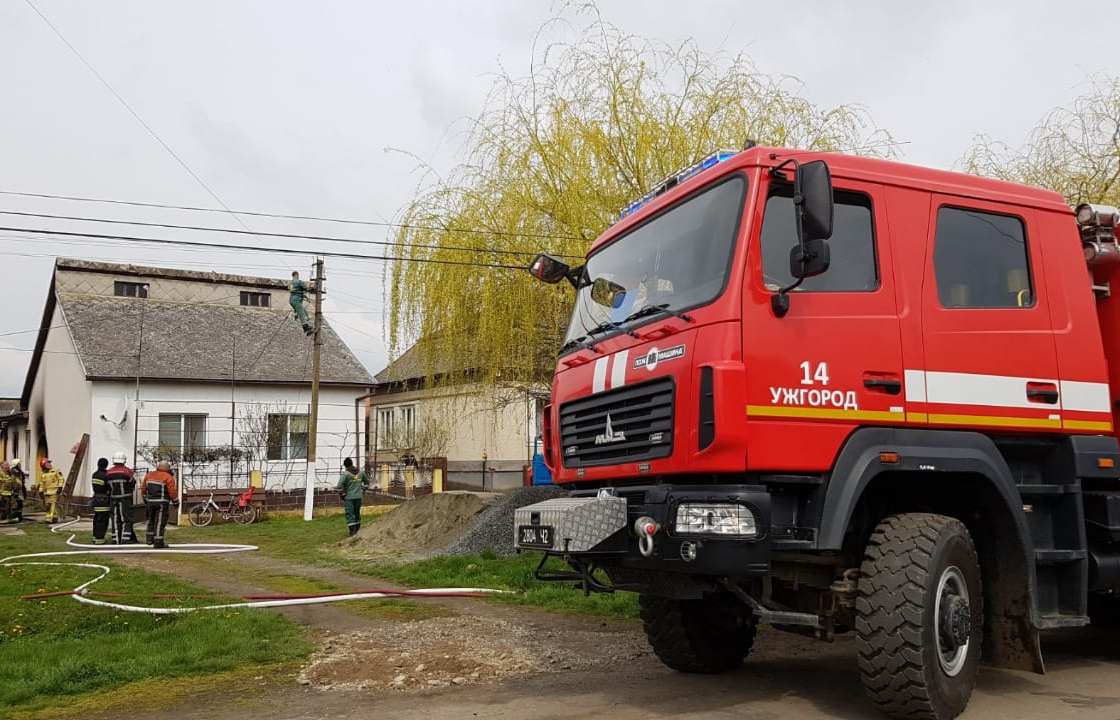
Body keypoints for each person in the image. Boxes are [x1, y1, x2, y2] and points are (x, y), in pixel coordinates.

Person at [141, 461, 178, 549]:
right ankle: (158, 542)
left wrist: (145, 498)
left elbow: (143, 488)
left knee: (151, 520)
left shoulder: (149, 475)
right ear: (167, 468)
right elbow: (172, 492)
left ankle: (149, 540)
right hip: (162, 503)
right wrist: (176, 502)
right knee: (160, 522)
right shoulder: (168, 477)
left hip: (150, 502)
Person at [104, 451, 137, 544]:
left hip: (113, 499)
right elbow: (132, 483)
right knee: (126, 519)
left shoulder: (108, 472)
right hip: (126, 499)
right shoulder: (127, 471)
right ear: (124, 461)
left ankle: (116, 539)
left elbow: (106, 486)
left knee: (115, 519)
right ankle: (125, 539)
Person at [335, 457, 370, 537]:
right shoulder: (361, 472)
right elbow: (367, 482)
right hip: (359, 497)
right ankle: (357, 531)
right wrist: (362, 490)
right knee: (357, 513)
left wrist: (342, 494)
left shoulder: (345, 474)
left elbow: (339, 486)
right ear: (352, 463)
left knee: (350, 514)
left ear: (345, 465)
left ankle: (352, 532)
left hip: (349, 498)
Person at [35, 458, 66, 523]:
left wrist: (60, 487)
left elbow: (61, 479)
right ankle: (54, 518)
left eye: (49, 463)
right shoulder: (43, 474)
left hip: (54, 491)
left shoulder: (56, 470)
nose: (49, 464)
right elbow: (42, 483)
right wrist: (41, 491)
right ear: (43, 466)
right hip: (46, 492)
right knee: (47, 505)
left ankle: (49, 518)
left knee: (52, 504)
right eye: (47, 463)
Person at [90, 458, 112, 544]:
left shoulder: (94, 474)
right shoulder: (106, 475)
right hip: (104, 500)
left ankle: (95, 537)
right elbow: (108, 487)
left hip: (96, 499)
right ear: (106, 465)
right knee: (103, 520)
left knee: (96, 519)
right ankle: (100, 539)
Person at [288, 271, 316, 336]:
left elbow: (295, 291)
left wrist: (301, 294)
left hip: (292, 300)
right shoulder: (299, 282)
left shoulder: (290, 283)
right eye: (298, 275)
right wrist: (311, 286)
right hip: (297, 300)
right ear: (297, 275)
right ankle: (306, 328)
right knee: (302, 314)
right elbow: (307, 289)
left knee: (305, 313)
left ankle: (306, 328)